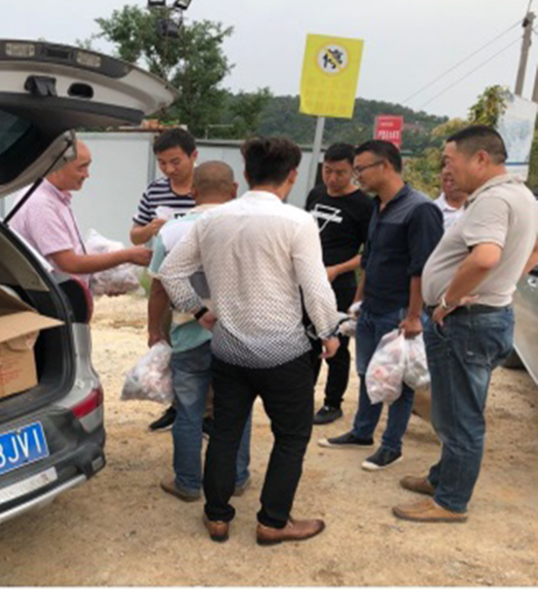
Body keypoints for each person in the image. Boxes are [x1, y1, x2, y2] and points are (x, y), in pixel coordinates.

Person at [159, 137, 341, 545]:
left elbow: (170, 272)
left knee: (225, 431)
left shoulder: (211, 221)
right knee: (291, 437)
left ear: (245, 174)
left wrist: (199, 312)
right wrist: (329, 332)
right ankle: (273, 521)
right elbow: (315, 288)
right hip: (284, 351)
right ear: (292, 175)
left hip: (229, 348)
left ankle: (217, 516)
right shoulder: (297, 222)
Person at [394, 126, 538, 523]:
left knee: (461, 417)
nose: (446, 169)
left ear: (480, 159)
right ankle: (443, 477)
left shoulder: (493, 200)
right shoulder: (522, 196)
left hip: (467, 321)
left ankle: (451, 501)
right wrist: (504, 284)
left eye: (449, 161)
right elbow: (531, 249)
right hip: (484, 316)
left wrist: (447, 300)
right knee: (455, 408)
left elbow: (485, 257)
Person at [318, 140, 443, 471]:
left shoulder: (420, 209)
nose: (356, 176)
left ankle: (391, 446)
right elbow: (370, 259)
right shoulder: (379, 205)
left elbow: (422, 268)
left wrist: (414, 316)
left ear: (385, 166)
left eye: (360, 169)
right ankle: (362, 432)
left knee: (397, 381)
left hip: (399, 311)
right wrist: (357, 302)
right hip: (372, 307)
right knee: (369, 374)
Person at [147, 161, 251, 502]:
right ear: (234, 190)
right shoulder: (250, 228)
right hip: (238, 337)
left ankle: (188, 483)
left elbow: (159, 288)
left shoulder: (171, 231)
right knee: (237, 411)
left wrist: (154, 331)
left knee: (189, 412)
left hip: (188, 336)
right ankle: (236, 478)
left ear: (193, 192)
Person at [131, 128, 199, 432]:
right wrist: (150, 229)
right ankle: (176, 409)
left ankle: (206, 415)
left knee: (204, 352)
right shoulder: (155, 191)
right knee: (171, 347)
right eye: (162, 163)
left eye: (175, 161)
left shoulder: (209, 187)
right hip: (166, 285)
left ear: (193, 156)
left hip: (203, 285)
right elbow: (135, 235)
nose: (169, 169)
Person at [9, 140, 151, 286]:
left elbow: (67, 257)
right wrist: (127, 256)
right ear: (57, 166)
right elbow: (69, 263)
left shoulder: (55, 198)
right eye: (81, 167)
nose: (86, 174)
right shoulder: (40, 204)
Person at [305, 143, 373, 425]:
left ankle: (333, 403)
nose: (332, 178)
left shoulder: (364, 205)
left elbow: (368, 253)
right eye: (328, 171)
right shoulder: (316, 194)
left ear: (353, 171)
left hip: (340, 284)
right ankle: (302, 396)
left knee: (337, 343)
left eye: (340, 173)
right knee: (307, 341)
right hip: (309, 280)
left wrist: (337, 269)